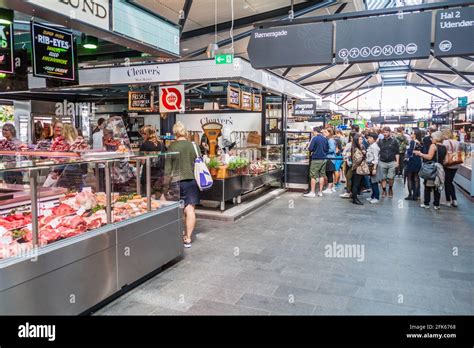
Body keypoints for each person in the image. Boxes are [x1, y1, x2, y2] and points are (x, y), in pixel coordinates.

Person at [165, 122, 200, 248]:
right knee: (190, 209)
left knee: (178, 209)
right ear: (185, 132)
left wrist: (164, 186)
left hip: (176, 181)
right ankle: (188, 238)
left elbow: (167, 169)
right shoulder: (194, 146)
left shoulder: (172, 147)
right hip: (191, 180)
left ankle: (179, 234)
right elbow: (199, 160)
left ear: (175, 133)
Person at [414, 131, 447, 210]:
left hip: (432, 168)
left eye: (432, 137)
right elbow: (446, 160)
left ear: (436, 138)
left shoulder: (433, 146)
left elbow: (429, 157)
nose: (431, 139)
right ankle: (436, 204)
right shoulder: (444, 147)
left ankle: (426, 203)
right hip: (440, 168)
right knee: (437, 186)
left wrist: (420, 154)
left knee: (428, 186)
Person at [139, 125, 166, 197]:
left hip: (148, 173)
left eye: (143, 134)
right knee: (158, 195)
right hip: (159, 173)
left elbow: (142, 161)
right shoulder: (161, 143)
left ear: (147, 134)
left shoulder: (145, 144)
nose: (142, 136)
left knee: (147, 195)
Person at [304, 127, 328, 198]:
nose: (312, 133)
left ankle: (312, 192)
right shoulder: (325, 138)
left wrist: (312, 149)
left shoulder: (314, 138)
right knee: (321, 175)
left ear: (315, 131)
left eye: (313, 132)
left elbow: (310, 148)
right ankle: (320, 192)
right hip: (324, 159)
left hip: (316, 159)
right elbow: (327, 149)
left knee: (313, 175)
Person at [377, 127, 399, 198]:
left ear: (390, 132)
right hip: (382, 162)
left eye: (386, 132)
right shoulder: (380, 142)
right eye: (384, 132)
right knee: (383, 178)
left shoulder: (394, 141)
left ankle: (390, 189)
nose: (385, 133)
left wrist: (397, 162)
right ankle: (384, 190)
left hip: (392, 162)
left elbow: (397, 152)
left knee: (391, 177)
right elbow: (378, 152)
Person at [442, 129, 460, 207]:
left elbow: (443, 152)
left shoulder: (445, 142)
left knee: (447, 182)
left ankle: (448, 201)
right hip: (455, 163)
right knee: (450, 182)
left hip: (447, 164)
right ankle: (454, 200)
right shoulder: (457, 142)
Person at [351, 133, 370, 205]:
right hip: (358, 168)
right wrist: (363, 155)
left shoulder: (360, 146)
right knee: (356, 184)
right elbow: (357, 159)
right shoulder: (356, 148)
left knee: (358, 184)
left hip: (359, 168)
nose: (361, 140)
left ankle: (355, 197)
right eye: (360, 139)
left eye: (362, 139)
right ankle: (354, 198)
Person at [404, 129, 423, 201]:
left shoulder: (412, 141)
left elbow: (409, 152)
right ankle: (416, 195)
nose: (411, 134)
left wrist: (407, 150)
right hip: (418, 160)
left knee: (409, 177)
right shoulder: (420, 142)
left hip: (411, 160)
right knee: (416, 178)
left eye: (412, 133)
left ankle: (410, 194)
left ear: (415, 134)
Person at [340, 131, 356, 199]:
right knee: (351, 178)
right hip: (354, 163)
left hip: (350, 163)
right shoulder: (354, 144)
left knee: (349, 177)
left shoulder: (349, 144)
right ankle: (351, 192)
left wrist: (346, 156)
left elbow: (344, 153)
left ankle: (348, 192)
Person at [366, 133, 380, 204]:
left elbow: (376, 158)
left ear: (372, 138)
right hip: (370, 165)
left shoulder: (374, 147)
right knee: (371, 181)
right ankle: (373, 196)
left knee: (374, 182)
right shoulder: (371, 146)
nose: (368, 139)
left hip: (373, 166)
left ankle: (376, 197)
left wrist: (374, 168)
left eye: (369, 138)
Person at [322, 128, 336, 194]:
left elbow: (332, 149)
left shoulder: (330, 140)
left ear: (329, 133)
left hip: (330, 159)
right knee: (329, 174)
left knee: (329, 174)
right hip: (330, 159)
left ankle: (329, 188)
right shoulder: (329, 140)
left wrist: (324, 151)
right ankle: (331, 187)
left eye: (325, 132)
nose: (324, 133)